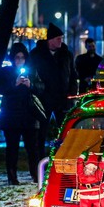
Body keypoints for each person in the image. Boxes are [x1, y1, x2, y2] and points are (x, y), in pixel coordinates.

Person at [29, 23, 78, 161]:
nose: (60, 41)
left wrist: (72, 92)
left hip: (63, 98)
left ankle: (64, 157)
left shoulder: (66, 54)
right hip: (43, 98)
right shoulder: (36, 54)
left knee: (65, 130)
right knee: (41, 132)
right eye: (58, 39)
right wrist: (37, 89)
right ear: (50, 40)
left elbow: (73, 75)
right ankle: (40, 160)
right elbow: (31, 74)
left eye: (61, 38)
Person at [0, 42, 43, 185]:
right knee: (12, 147)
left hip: (29, 114)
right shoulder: (5, 72)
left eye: (22, 58)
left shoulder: (32, 71)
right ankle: (12, 176)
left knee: (32, 148)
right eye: (17, 57)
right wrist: (14, 84)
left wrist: (32, 86)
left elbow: (41, 88)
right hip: (11, 115)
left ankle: (36, 174)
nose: (19, 60)